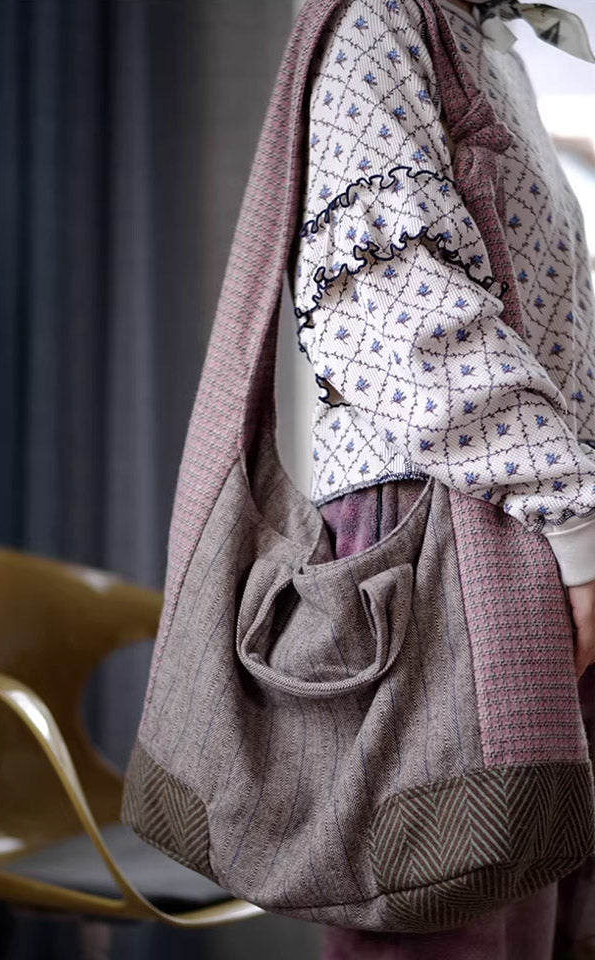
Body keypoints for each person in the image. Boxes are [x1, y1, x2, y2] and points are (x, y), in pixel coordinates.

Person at [288, 0, 595, 955]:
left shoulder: (486, 46)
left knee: (522, 902)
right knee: (444, 905)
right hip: (445, 530)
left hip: (520, 516)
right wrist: (575, 517)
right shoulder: (380, 22)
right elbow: (387, 310)